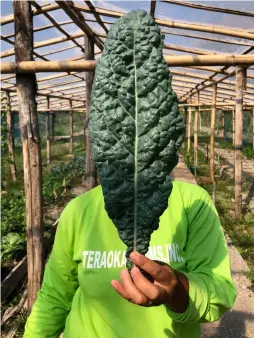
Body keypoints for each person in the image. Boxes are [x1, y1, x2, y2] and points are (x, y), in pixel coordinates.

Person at [23, 179, 236, 338]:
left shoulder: (192, 202)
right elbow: (55, 296)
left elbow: (219, 292)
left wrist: (177, 290)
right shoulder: (79, 210)